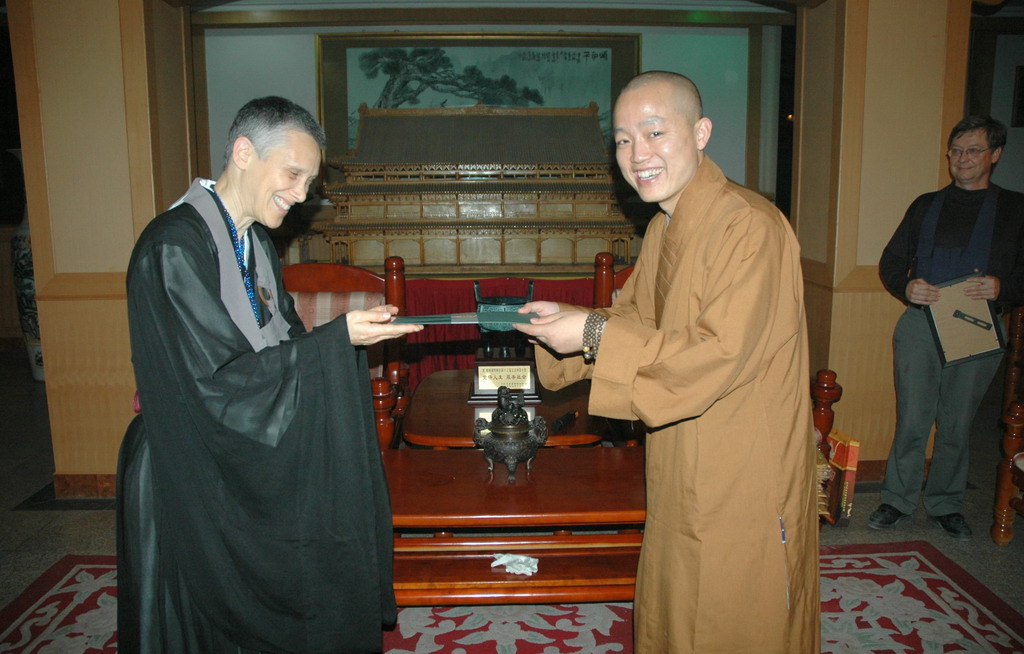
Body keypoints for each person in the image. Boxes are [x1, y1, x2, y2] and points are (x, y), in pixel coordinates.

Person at [515, 71, 818, 653]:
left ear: (701, 133)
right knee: (678, 592)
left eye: (655, 132)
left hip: (741, 456)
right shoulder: (663, 227)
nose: (638, 155)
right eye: (623, 140)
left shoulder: (750, 226)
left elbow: (718, 351)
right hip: (680, 440)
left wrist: (593, 332)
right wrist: (567, 322)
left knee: (736, 606)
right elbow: (634, 318)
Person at [116, 96, 422, 653]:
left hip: (240, 449)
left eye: (310, 182)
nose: (302, 195)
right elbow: (213, 382)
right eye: (293, 174)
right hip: (184, 468)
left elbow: (283, 342)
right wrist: (334, 342)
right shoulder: (173, 247)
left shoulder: (254, 241)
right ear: (243, 153)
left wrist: (344, 341)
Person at [870, 116, 1024, 541]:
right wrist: (906, 286)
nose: (963, 158)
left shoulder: (1015, 209)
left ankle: (946, 503)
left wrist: (1003, 287)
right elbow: (891, 262)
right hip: (921, 324)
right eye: (956, 150)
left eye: (974, 150)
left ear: (995, 154)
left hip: (978, 325)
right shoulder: (925, 205)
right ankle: (896, 499)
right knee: (912, 419)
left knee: (956, 423)